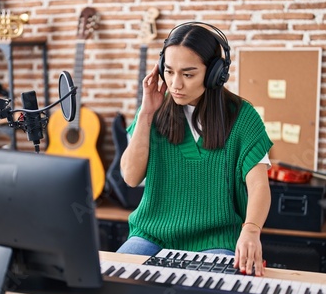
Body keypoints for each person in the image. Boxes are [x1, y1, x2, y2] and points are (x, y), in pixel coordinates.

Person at [117, 22, 273, 276]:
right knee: (115, 283)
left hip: (216, 242)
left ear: (214, 74)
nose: (175, 84)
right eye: (168, 71)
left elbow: (258, 186)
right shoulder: (153, 112)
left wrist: (252, 230)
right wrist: (146, 112)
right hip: (151, 235)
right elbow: (130, 177)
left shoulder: (243, 118)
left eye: (188, 74)